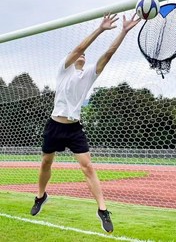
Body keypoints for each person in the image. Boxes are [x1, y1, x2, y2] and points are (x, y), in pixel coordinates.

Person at [30, 13, 141, 233]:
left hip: (74, 128)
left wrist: (123, 31)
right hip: (54, 125)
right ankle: (41, 196)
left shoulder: (89, 74)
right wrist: (100, 29)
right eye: (79, 55)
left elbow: (108, 54)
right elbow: (80, 47)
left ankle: (102, 210)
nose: (82, 55)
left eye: (84, 56)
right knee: (45, 163)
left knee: (87, 166)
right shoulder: (63, 71)